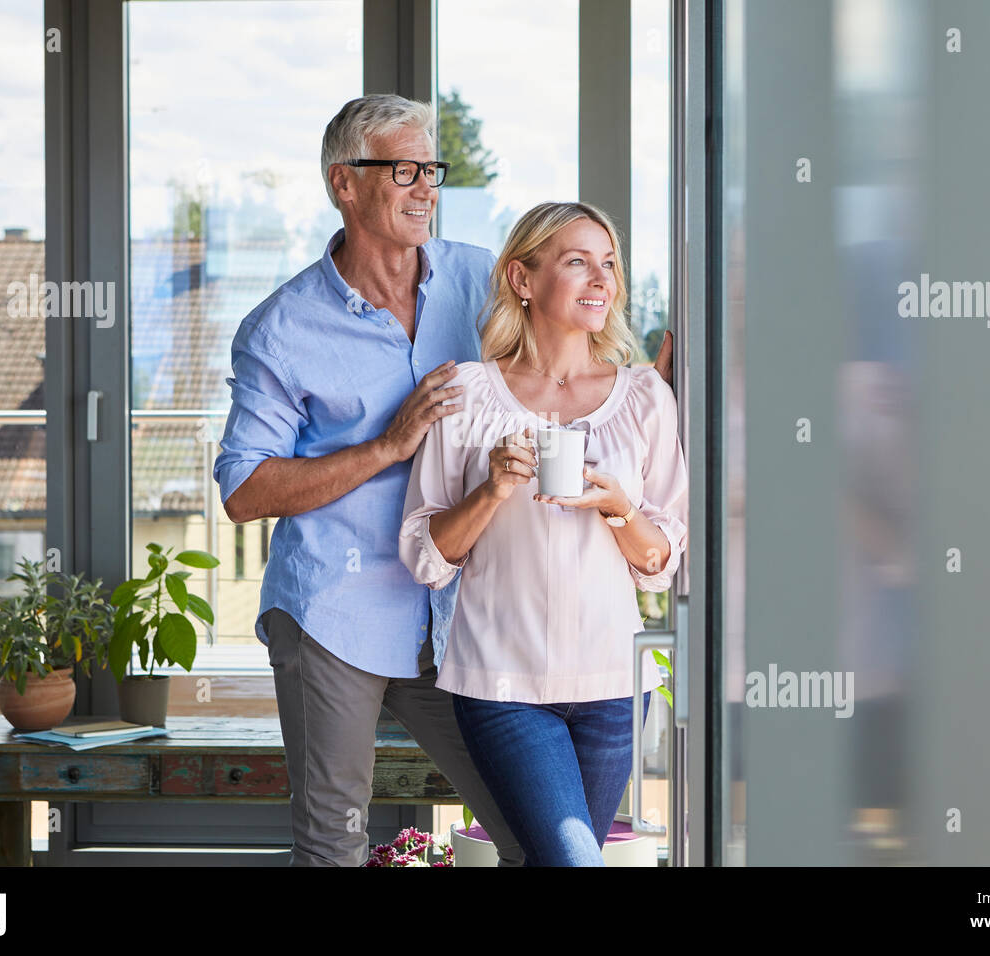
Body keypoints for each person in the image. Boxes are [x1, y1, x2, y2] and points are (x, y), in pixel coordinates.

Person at [212, 94, 527, 866]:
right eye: (404, 169)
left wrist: (645, 384)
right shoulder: (280, 329)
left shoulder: (476, 282)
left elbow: (554, 367)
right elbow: (245, 490)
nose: (426, 187)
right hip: (334, 612)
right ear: (344, 183)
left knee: (530, 826)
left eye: (433, 169)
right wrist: (388, 445)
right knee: (333, 844)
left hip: (454, 611)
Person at [398, 201, 689, 866]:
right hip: (502, 685)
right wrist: (493, 488)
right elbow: (426, 554)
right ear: (523, 280)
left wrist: (620, 507)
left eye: (608, 263)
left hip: (614, 685)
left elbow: (659, 562)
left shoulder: (645, 398)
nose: (601, 279)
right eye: (578, 261)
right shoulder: (468, 395)